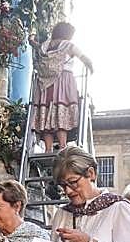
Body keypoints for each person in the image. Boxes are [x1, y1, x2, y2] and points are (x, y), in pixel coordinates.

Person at [32, 22, 93, 153]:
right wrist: (91, 67)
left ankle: (48, 149)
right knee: (61, 115)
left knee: (47, 114)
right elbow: (83, 57)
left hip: (45, 84)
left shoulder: (45, 46)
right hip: (63, 80)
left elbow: (37, 49)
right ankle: (63, 147)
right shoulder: (68, 45)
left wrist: (32, 42)